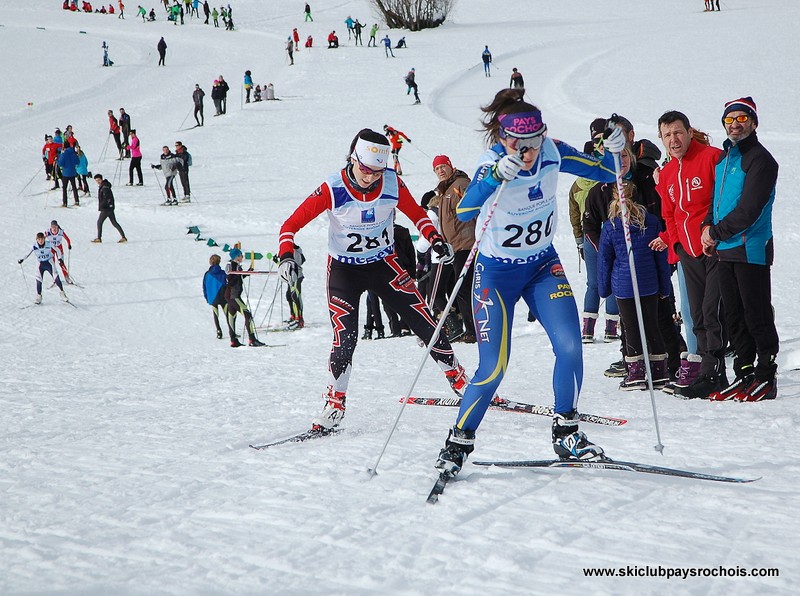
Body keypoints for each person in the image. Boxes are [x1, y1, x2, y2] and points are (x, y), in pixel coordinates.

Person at [433, 88, 627, 477]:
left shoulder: (554, 151)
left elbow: (607, 172)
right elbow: (467, 209)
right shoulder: (491, 163)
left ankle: (567, 431)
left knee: (571, 347)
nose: (527, 152)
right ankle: (458, 441)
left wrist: (617, 150)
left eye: (534, 141)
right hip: (496, 274)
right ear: (503, 139)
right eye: (518, 143)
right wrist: (491, 180)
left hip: (541, 266)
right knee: (494, 367)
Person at [277, 128, 468, 433]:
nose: (370, 178)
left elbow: (417, 214)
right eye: (365, 170)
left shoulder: (391, 181)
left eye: (377, 172)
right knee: (346, 337)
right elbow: (290, 225)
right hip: (344, 271)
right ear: (353, 160)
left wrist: (434, 238)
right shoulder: (333, 187)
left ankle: (458, 378)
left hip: (384, 265)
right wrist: (286, 254)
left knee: (425, 322)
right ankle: (335, 403)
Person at [700, 97, 779, 402]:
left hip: (750, 248)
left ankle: (765, 374)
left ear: (753, 123)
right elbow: (716, 202)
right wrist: (708, 228)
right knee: (733, 315)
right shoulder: (724, 158)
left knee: (755, 312)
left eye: (741, 119)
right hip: (724, 248)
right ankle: (744, 372)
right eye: (729, 119)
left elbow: (750, 209)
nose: (735, 124)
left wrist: (715, 234)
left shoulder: (761, 160)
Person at [653, 110, 725, 399]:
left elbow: (723, 199)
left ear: (689, 132)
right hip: (688, 253)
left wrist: (715, 232)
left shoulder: (711, 157)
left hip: (716, 248)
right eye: (667, 134)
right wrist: (677, 245)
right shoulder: (668, 172)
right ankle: (708, 374)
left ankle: (716, 370)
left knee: (712, 312)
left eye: (678, 132)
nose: (674, 138)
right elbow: (669, 214)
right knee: (696, 315)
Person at [598, 170, 671, 390]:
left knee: (630, 328)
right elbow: (661, 258)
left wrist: (603, 289)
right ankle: (660, 373)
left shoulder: (611, 225)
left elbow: (604, 260)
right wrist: (664, 287)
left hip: (624, 285)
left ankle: (636, 373)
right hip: (649, 284)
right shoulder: (651, 221)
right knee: (652, 326)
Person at [431, 154, 476, 343]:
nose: (440, 171)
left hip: (467, 245)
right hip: (455, 248)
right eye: (436, 169)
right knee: (461, 290)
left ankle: (473, 330)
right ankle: (469, 327)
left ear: (450, 166)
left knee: (465, 290)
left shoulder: (460, 185)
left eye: (443, 166)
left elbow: (475, 208)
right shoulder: (445, 190)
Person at [225, 248, 265, 347]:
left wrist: (248, 272)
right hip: (233, 295)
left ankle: (233, 340)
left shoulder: (236, 266)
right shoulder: (231, 265)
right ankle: (252, 339)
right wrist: (239, 274)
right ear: (236, 257)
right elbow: (230, 280)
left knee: (232, 316)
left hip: (231, 295)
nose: (242, 256)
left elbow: (239, 277)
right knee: (247, 315)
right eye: (240, 255)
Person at [18, 232, 68, 304]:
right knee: (38, 279)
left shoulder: (49, 243)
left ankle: (62, 293)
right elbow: (27, 253)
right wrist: (22, 259)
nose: (41, 241)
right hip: (40, 264)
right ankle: (39, 296)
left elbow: (58, 250)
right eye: (39, 239)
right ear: (37, 240)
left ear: (44, 239)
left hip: (49, 263)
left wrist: (60, 258)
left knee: (56, 277)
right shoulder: (34, 246)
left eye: (42, 239)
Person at [92, 174, 127, 243]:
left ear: (101, 179)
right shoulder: (104, 186)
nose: (98, 181)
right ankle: (123, 237)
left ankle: (99, 238)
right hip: (109, 208)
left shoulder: (104, 187)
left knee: (99, 222)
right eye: (96, 181)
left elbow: (107, 198)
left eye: (99, 180)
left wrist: (103, 205)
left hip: (106, 208)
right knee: (114, 222)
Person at [203, 254, 231, 340]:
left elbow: (204, 287)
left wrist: (207, 297)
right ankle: (231, 331)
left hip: (213, 297)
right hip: (223, 296)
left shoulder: (207, 274)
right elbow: (227, 284)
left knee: (215, 314)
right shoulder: (223, 273)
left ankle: (219, 331)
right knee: (227, 314)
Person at [57, 143, 80, 207]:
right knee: (74, 187)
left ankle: (65, 203)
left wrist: (56, 160)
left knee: (64, 188)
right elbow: (78, 162)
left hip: (65, 173)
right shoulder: (73, 153)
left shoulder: (64, 154)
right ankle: (77, 201)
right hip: (73, 172)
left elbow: (60, 164)